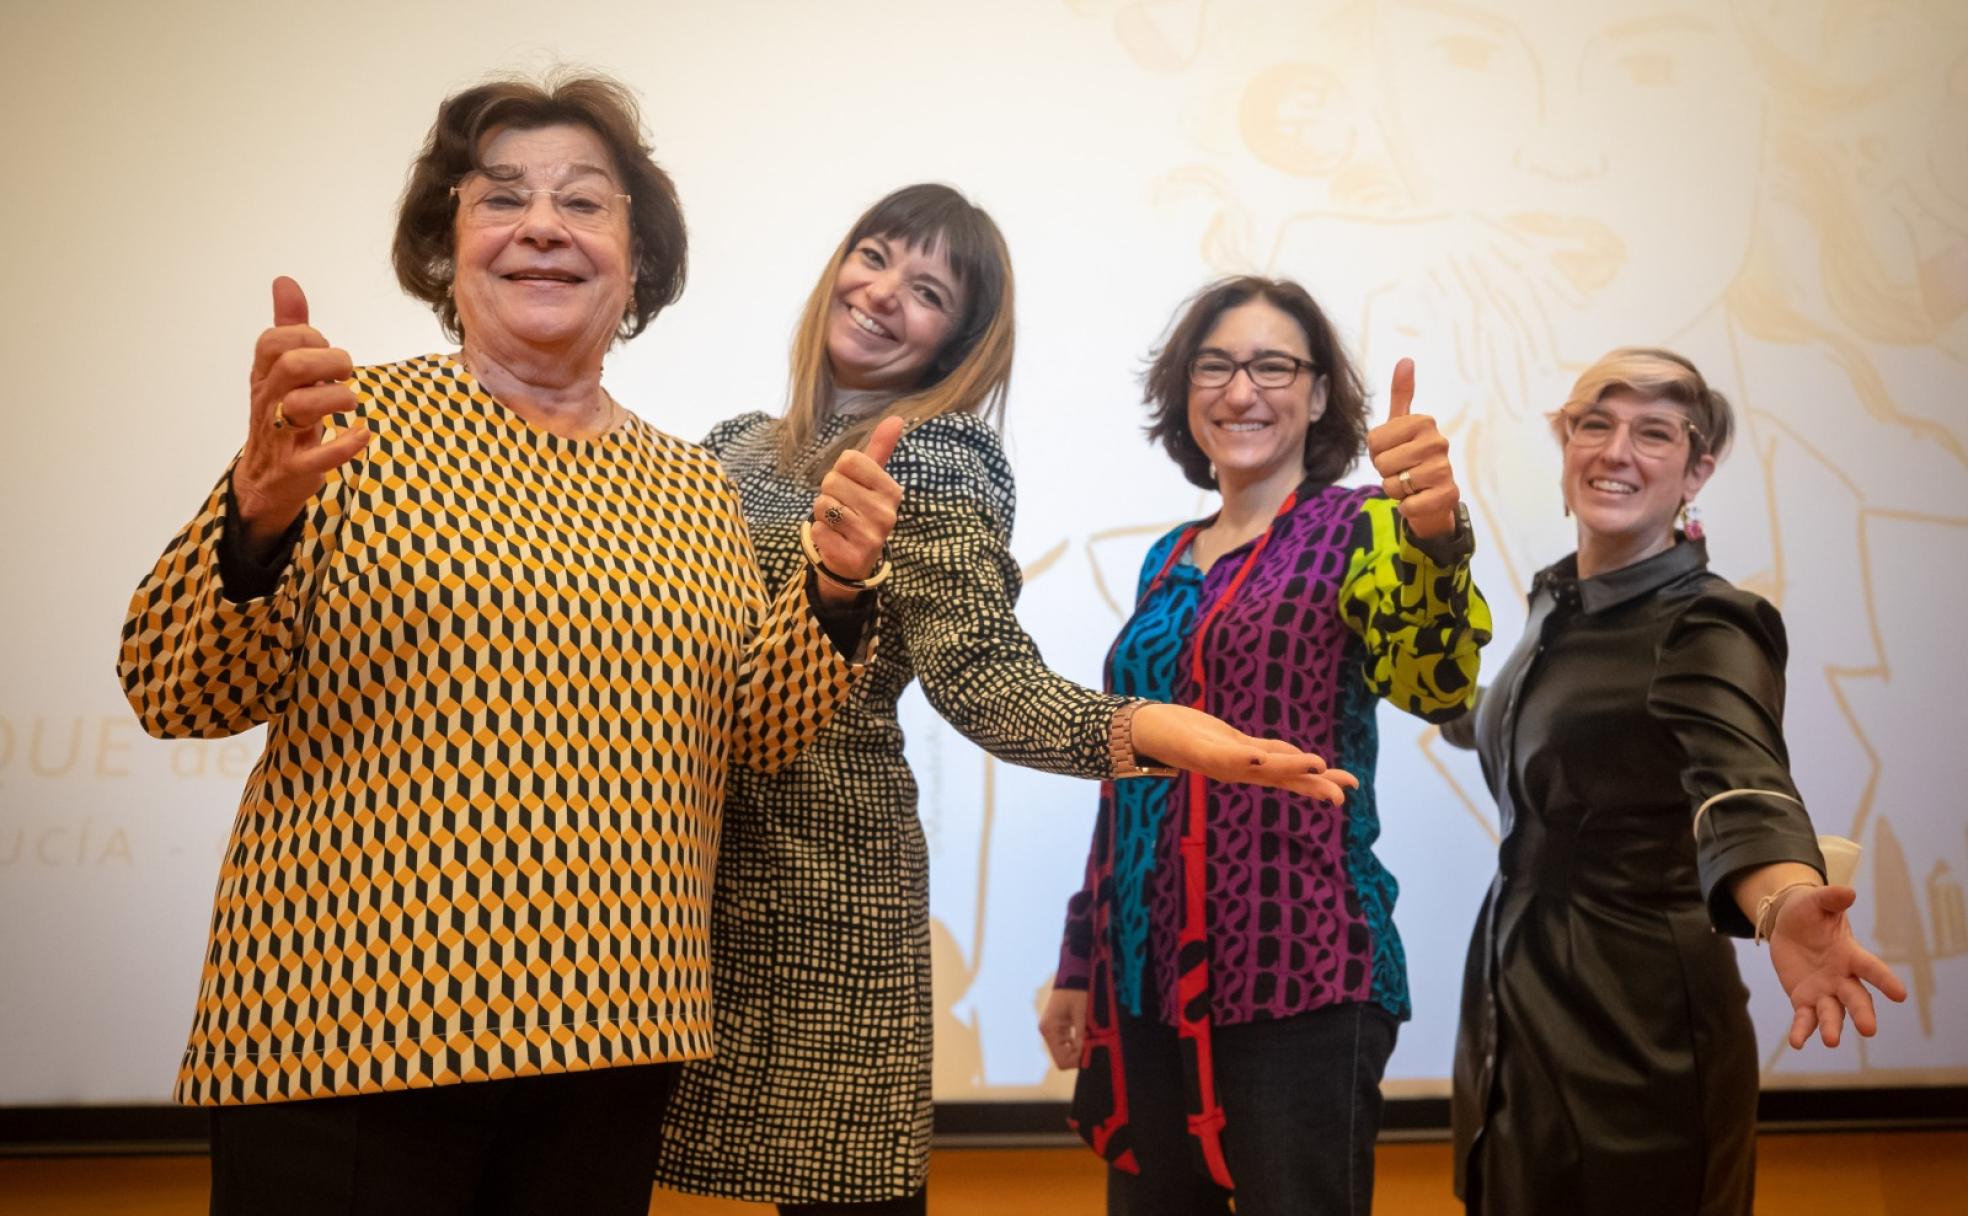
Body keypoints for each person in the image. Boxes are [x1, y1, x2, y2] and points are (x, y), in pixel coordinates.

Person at [115, 73, 903, 1216]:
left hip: (614, 1036)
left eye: (585, 202)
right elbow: (172, 687)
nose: (543, 223)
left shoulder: (693, 487)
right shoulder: (338, 428)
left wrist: (834, 589)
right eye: (502, 199)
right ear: (448, 250)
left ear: (637, 263)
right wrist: (256, 518)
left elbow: (753, 738)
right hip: (346, 1032)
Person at [653, 189, 1354, 1215]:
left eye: (928, 290)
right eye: (876, 255)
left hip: (819, 893)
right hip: (672, 890)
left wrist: (1144, 727)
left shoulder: (938, 454)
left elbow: (984, 675)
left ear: (958, 341)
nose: (885, 293)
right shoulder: (731, 447)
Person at [1042, 275, 1493, 1216]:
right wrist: (1080, 961)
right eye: (1216, 365)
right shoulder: (1165, 555)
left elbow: (1436, 684)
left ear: (1321, 393)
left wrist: (1436, 541)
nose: (1242, 390)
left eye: (1274, 365)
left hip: (1303, 972)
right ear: (1187, 389)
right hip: (1145, 975)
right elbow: (1124, 769)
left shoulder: (1364, 526)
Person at [1440, 347, 1909, 1215]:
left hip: (1636, 1024)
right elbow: (1510, 728)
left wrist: (1782, 900)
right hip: (1514, 996)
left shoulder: (1711, 623)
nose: (1617, 451)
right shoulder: (1561, 604)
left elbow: (1743, 781)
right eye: (1595, 424)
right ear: (1566, 441)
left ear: (1698, 469)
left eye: (1654, 433)